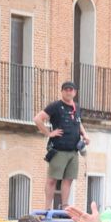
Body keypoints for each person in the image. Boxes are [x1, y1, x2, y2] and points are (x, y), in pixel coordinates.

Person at [35, 80, 88, 210]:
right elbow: (38, 119)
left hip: (73, 151)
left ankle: (65, 206)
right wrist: (49, 133)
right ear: (62, 91)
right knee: (52, 179)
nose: (68, 92)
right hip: (59, 150)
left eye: (71, 90)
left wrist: (85, 134)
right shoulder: (56, 106)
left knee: (68, 179)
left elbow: (78, 122)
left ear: (75, 92)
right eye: (66, 89)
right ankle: (48, 207)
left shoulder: (76, 107)